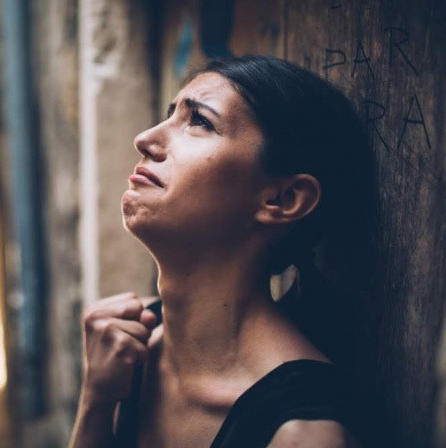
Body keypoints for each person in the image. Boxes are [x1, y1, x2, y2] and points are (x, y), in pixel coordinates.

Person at [70, 55, 375, 447]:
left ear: (284, 198)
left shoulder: (304, 434)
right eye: (170, 115)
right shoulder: (126, 353)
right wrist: (95, 401)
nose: (145, 139)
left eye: (199, 122)